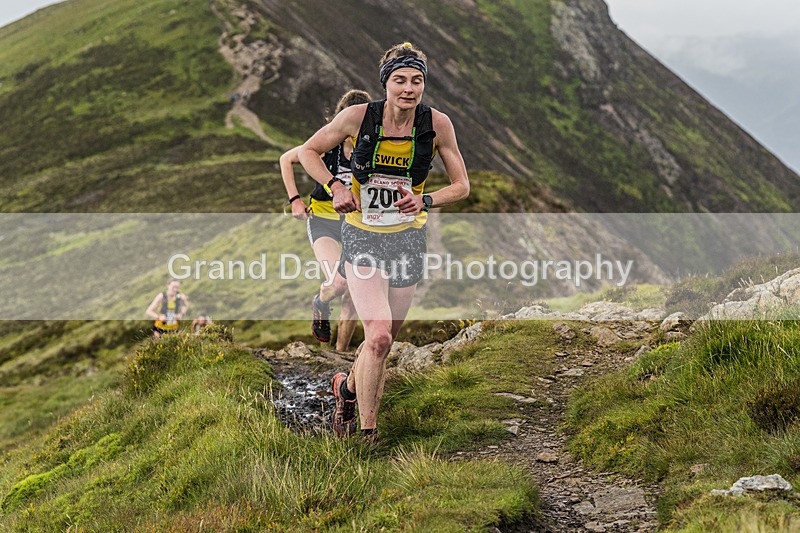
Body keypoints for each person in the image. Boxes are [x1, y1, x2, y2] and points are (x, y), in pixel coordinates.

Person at [298, 43, 470, 440]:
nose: (408, 89)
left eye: (417, 80)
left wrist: (426, 199)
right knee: (377, 335)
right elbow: (307, 151)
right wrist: (334, 184)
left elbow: (462, 186)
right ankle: (368, 434)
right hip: (361, 236)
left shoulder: (436, 124)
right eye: (400, 80)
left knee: (383, 343)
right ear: (386, 83)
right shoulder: (358, 117)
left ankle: (346, 389)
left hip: (408, 241)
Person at [280, 89, 371, 352]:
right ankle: (321, 302)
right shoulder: (327, 144)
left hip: (357, 224)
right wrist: (295, 200)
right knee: (339, 283)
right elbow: (286, 159)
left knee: (355, 292)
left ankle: (340, 354)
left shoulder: (372, 148)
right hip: (324, 220)